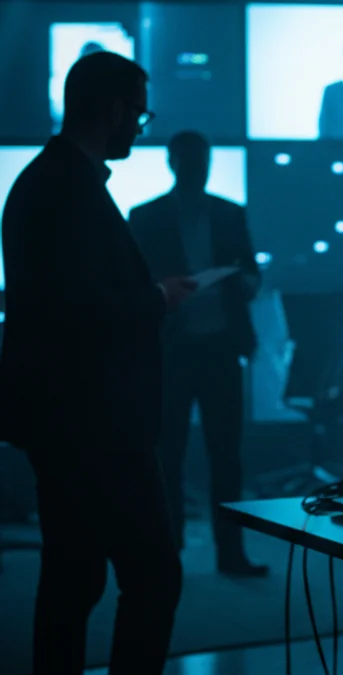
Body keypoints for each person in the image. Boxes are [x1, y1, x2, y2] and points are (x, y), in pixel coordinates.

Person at [0, 51, 195, 675]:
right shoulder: (67, 188)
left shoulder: (50, 178)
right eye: (139, 113)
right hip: (98, 425)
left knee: (73, 576)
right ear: (114, 111)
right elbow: (83, 308)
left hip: (67, 422)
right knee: (153, 576)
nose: (142, 126)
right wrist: (159, 297)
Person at [128, 131, 267, 578]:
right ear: (175, 163)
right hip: (174, 348)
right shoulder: (145, 218)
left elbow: (251, 272)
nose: (198, 168)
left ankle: (228, 552)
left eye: (202, 160)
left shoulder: (228, 214)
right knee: (170, 453)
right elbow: (135, 284)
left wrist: (244, 285)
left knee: (226, 454)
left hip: (219, 347)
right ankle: (171, 549)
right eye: (193, 160)